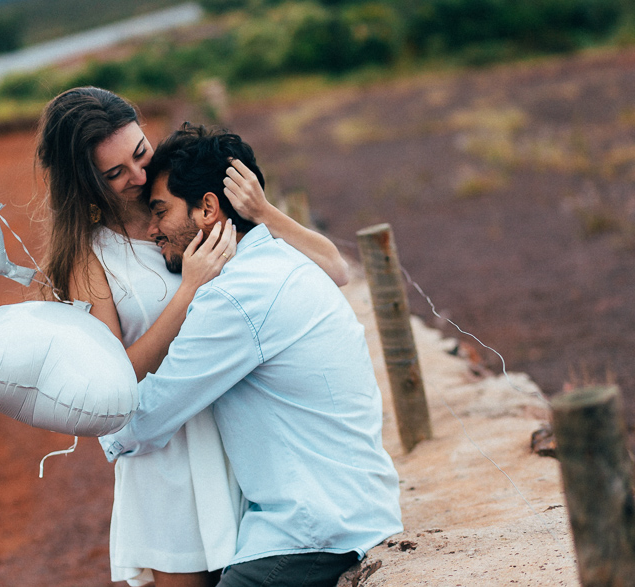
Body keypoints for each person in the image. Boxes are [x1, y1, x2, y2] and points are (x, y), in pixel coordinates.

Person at [35, 88, 350, 587]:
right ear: (85, 180)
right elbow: (111, 380)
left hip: (243, 444)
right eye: (115, 174)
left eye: (140, 154)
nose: (137, 177)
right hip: (167, 459)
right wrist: (189, 292)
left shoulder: (190, 205)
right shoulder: (89, 257)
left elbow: (335, 269)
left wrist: (263, 212)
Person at [101, 123, 403, 587]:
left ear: (207, 208)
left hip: (311, 534)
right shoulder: (283, 259)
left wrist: (93, 422)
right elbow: (338, 268)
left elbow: (147, 418)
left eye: (160, 211)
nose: (153, 228)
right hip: (350, 509)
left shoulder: (236, 299)